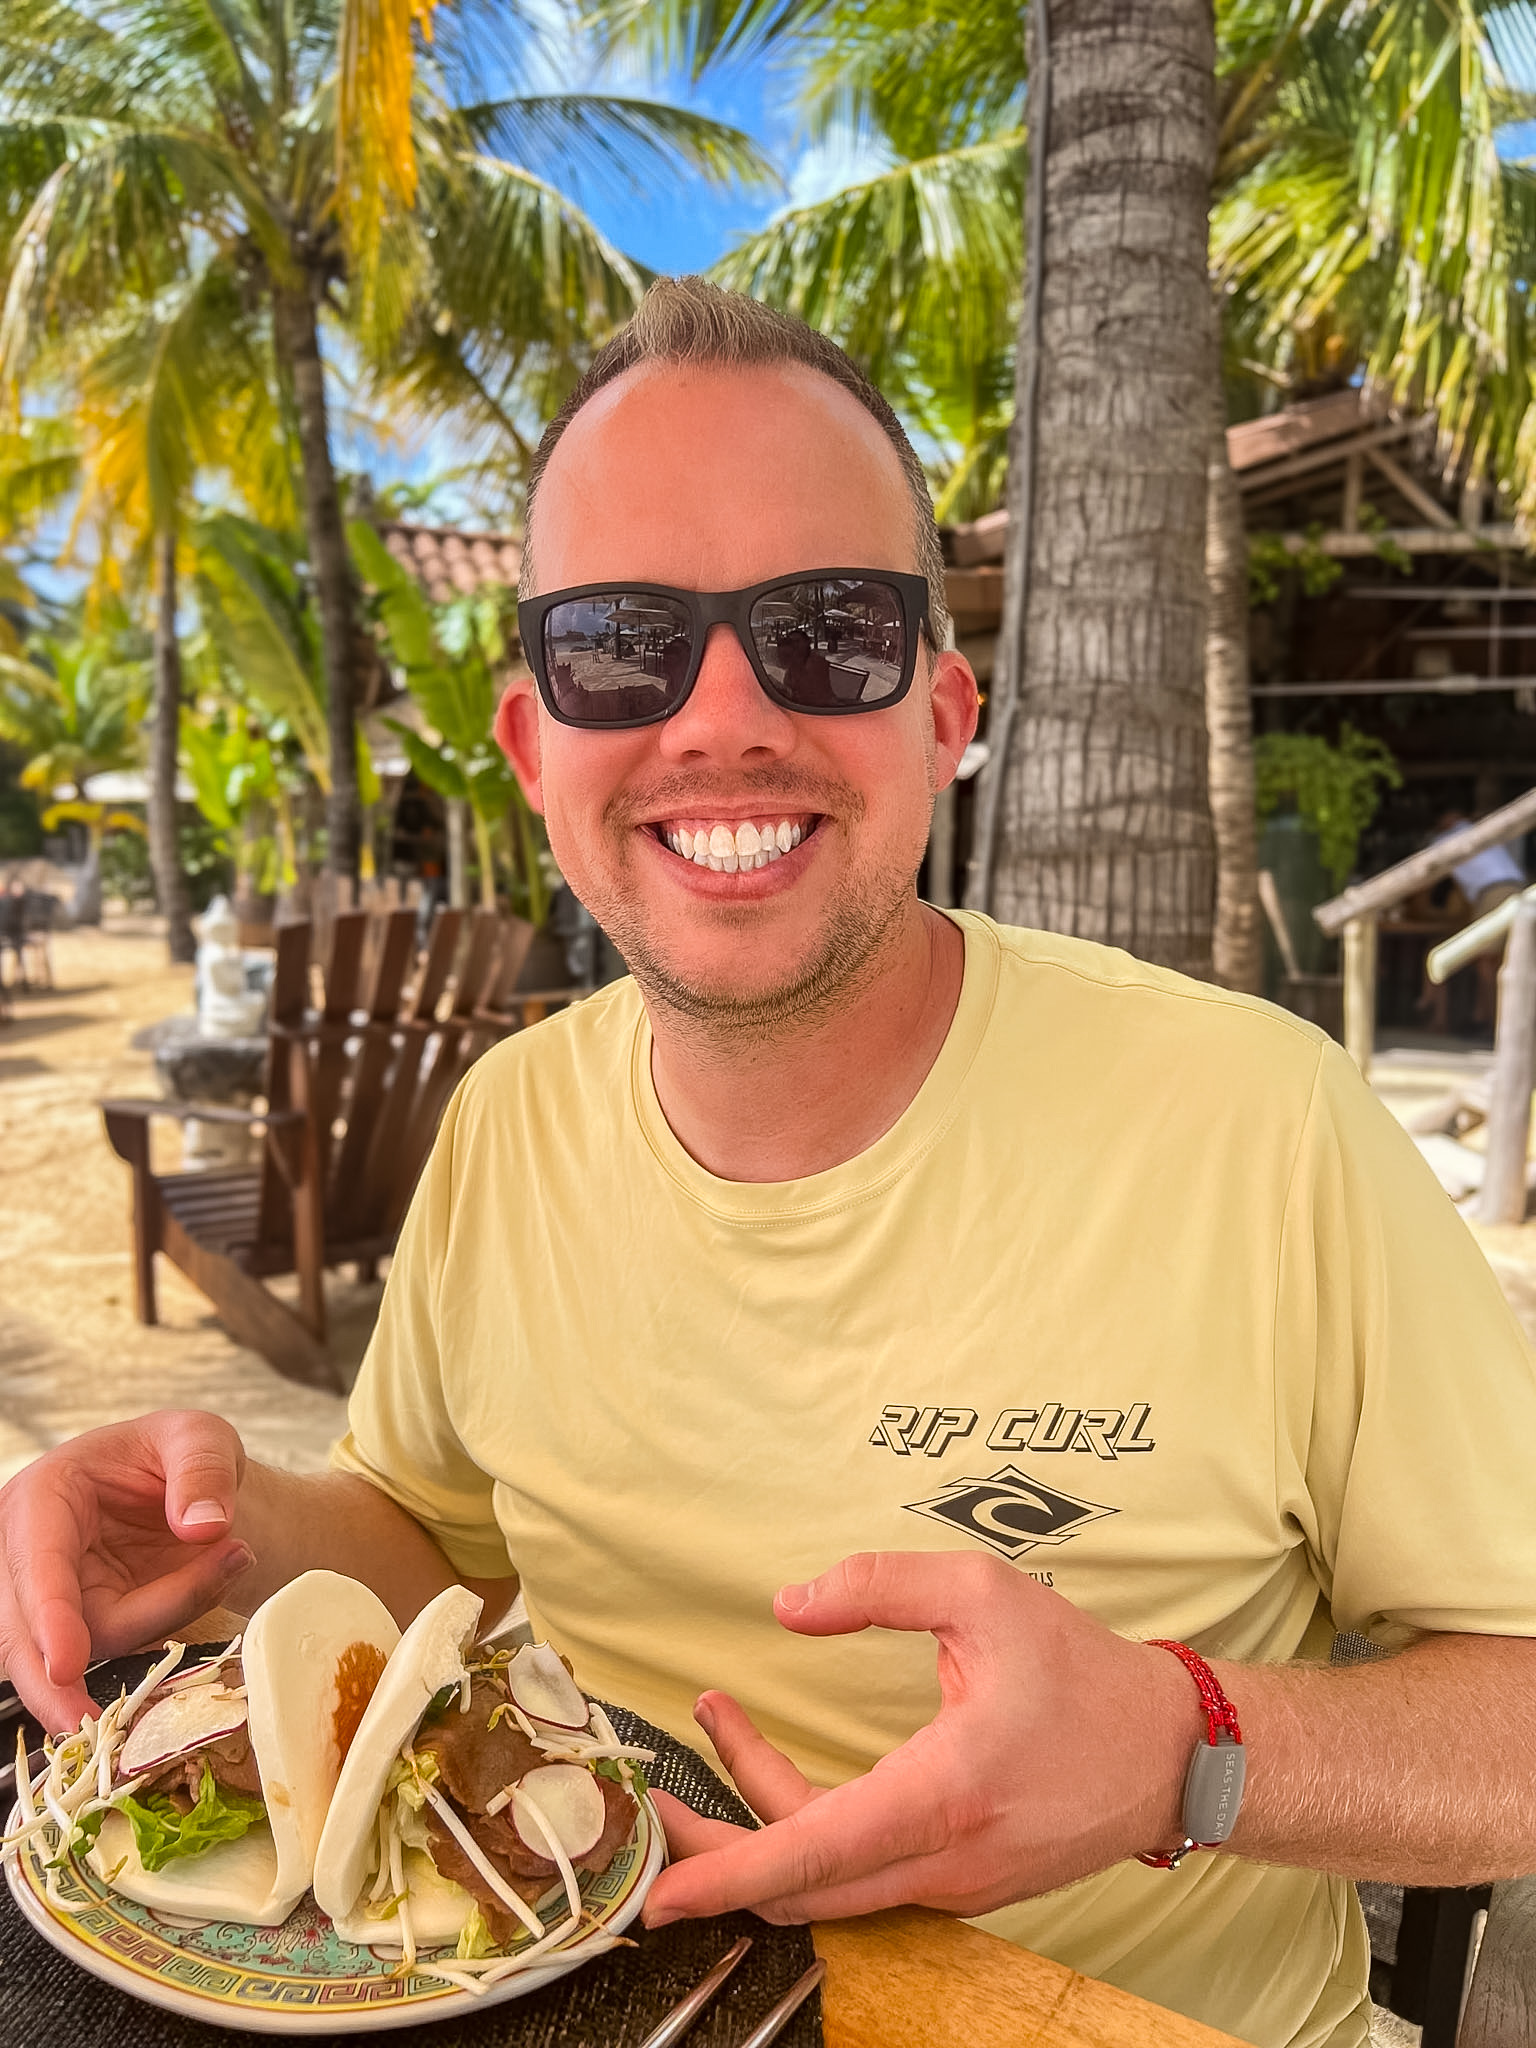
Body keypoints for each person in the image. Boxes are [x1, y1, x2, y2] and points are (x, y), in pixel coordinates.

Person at [2, 279, 1536, 2048]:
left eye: (825, 630)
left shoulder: (1261, 1125)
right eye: (619, 643)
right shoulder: (507, 1121)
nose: (721, 716)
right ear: (532, 748)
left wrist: (1185, 1754)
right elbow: (440, 1544)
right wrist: (224, 1536)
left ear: (943, 714)